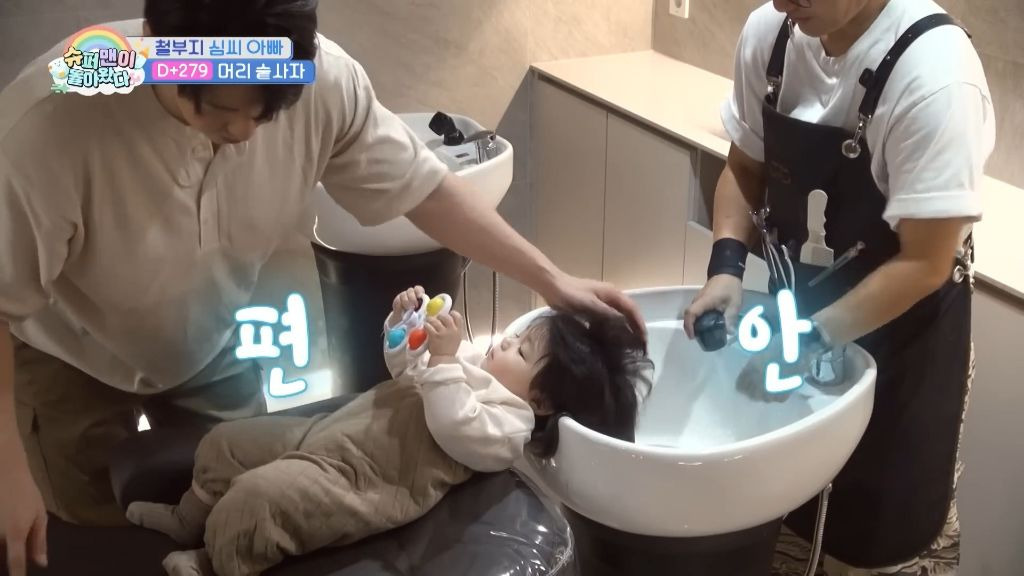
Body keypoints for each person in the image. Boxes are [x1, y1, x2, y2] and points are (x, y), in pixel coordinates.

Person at [0, 1, 647, 574]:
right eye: (219, 109)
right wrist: (6, 463)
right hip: (70, 355)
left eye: (267, 110)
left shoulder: (322, 81)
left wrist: (550, 279)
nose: (243, 132)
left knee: (246, 487)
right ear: (155, 41)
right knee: (93, 534)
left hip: (210, 337)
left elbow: (424, 189)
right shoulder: (52, 119)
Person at [683, 0, 993, 574]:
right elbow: (745, 168)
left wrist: (809, 339)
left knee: (877, 541)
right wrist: (726, 267)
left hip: (903, 346)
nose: (783, 2)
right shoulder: (771, 34)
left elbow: (925, 262)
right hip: (800, 311)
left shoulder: (936, 75)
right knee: (782, 515)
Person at [124, 286, 651, 576]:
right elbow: (405, 371)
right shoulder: (469, 366)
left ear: (541, 401)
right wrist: (403, 327)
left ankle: (211, 562)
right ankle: (188, 516)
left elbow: (453, 425)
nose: (504, 343)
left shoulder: (508, 424)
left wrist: (443, 360)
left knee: (257, 501)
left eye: (521, 351)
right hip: (336, 432)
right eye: (515, 337)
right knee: (225, 443)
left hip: (366, 480)